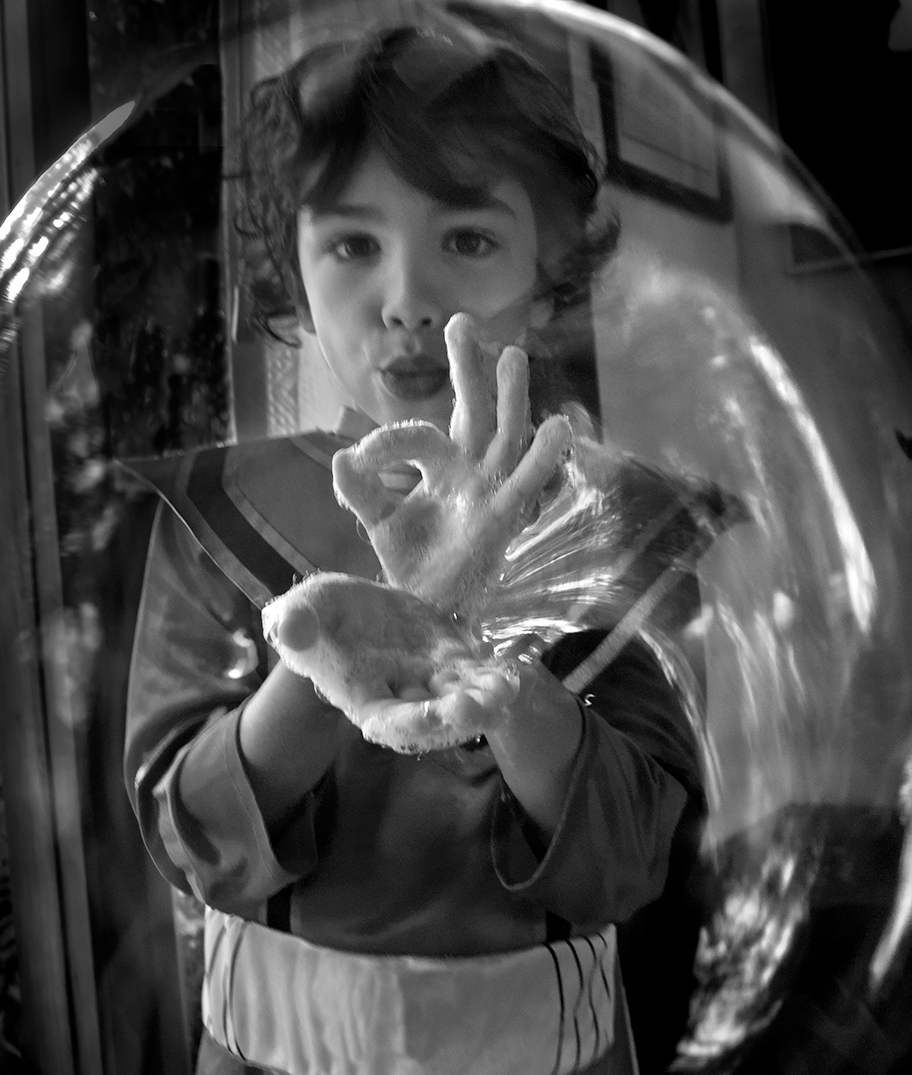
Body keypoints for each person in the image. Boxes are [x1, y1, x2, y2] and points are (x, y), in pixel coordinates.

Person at [124, 16, 705, 1075]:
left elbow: (635, 856)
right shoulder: (221, 517)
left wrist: (507, 694)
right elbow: (185, 833)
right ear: (295, 278)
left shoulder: (611, 524)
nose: (408, 302)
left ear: (550, 271)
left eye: (468, 240)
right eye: (353, 245)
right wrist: (342, 657)